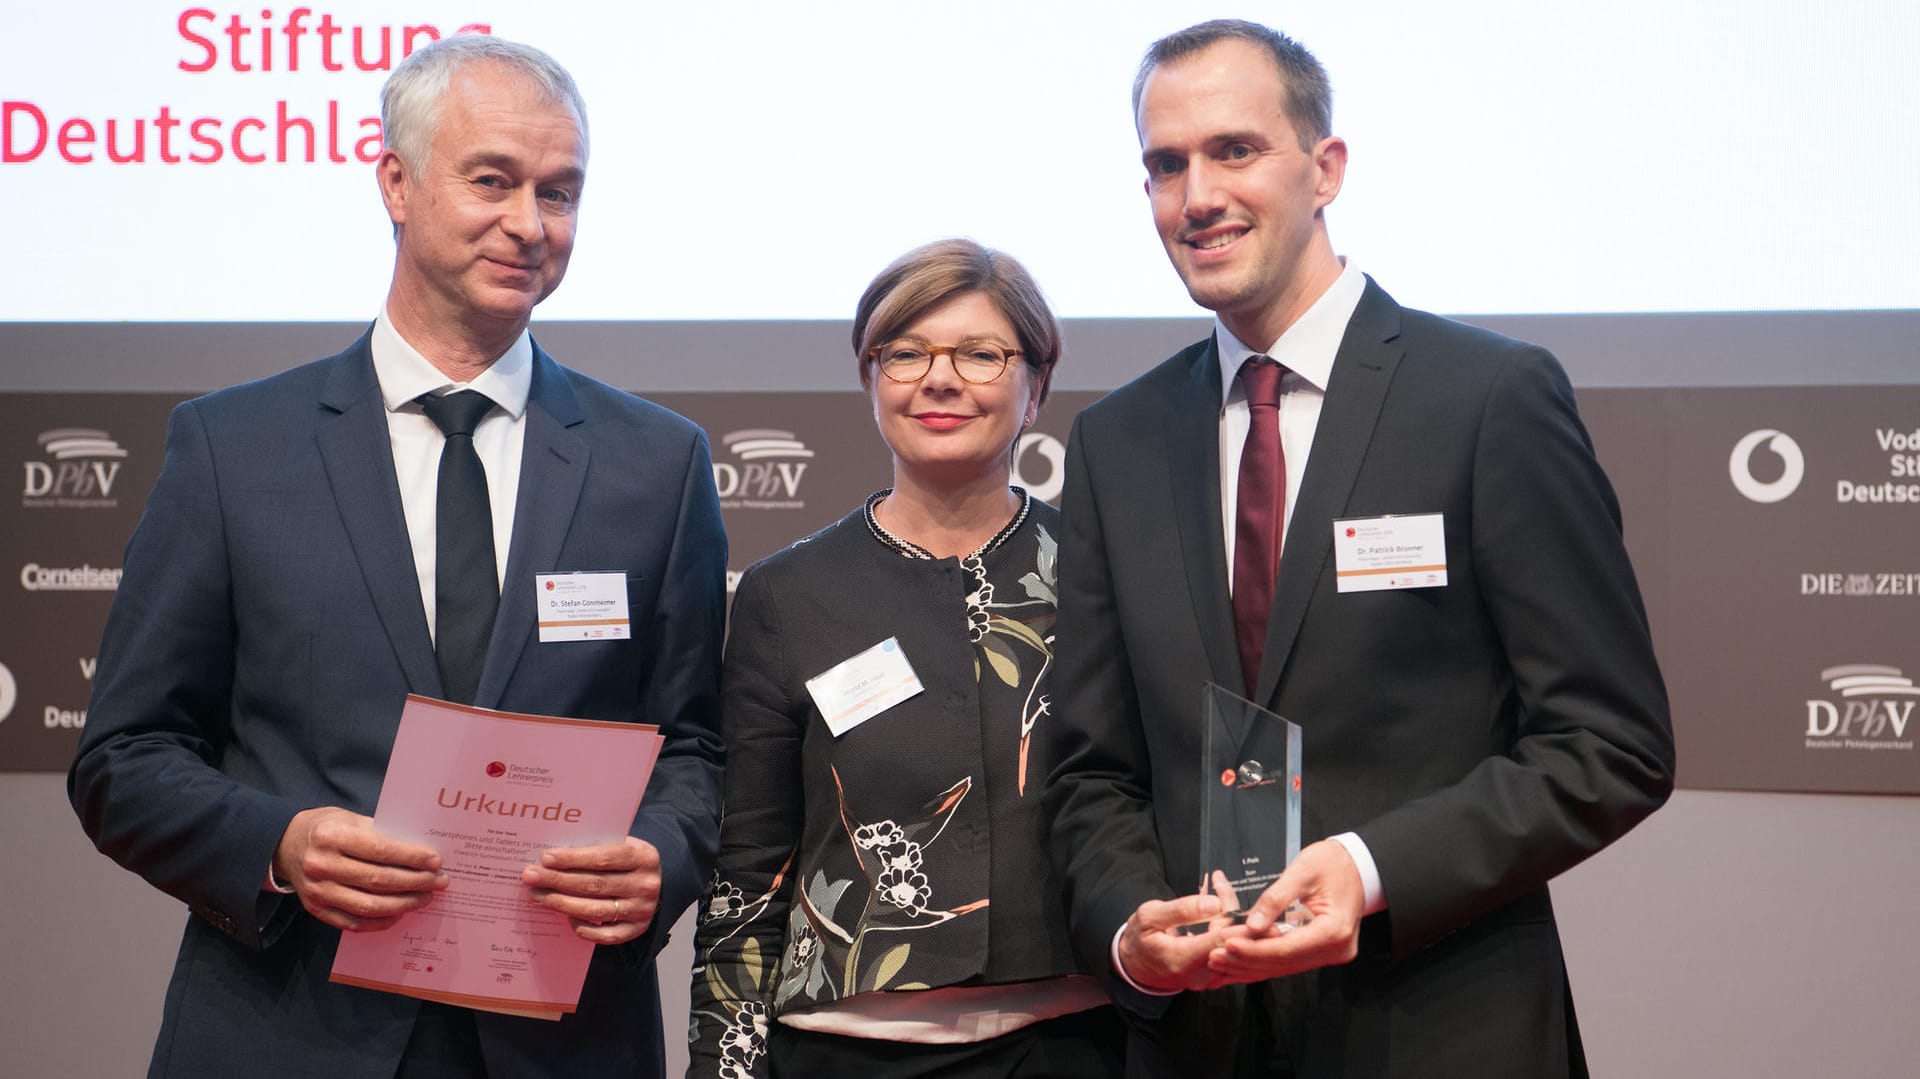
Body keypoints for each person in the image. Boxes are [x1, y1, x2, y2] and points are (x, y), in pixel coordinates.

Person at [67, 34, 726, 1078]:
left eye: (559, 193)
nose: (528, 223)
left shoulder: (658, 464)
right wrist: (277, 845)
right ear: (396, 181)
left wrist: (663, 856)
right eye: (492, 180)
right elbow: (121, 757)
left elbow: (696, 746)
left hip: (563, 1042)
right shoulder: (235, 448)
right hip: (286, 1032)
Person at [1044, 19, 1675, 1078]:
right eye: (1165, 164)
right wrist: (1132, 933)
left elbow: (1610, 743)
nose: (1194, 195)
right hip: (1196, 1044)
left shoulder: (1487, 399)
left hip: (1439, 1023)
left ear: (1325, 168)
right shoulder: (1117, 441)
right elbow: (1092, 772)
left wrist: (1370, 866)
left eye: (1233, 150)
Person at [687, 239, 1121, 1078]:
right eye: (906, 353)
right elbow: (749, 874)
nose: (940, 378)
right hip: (848, 1055)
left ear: (1037, 387)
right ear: (870, 379)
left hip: (1078, 1049)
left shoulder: (1104, 577)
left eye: (981, 354)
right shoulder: (787, 594)